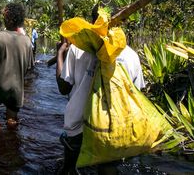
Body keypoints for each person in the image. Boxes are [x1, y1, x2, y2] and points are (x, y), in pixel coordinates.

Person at [55, 12, 145, 174]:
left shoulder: (77, 49)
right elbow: (137, 94)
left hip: (79, 127)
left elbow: (64, 88)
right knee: (107, 170)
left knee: (70, 170)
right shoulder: (132, 55)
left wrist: (60, 54)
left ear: (92, 23)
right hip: (113, 129)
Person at [0, 3, 34, 130]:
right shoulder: (27, 41)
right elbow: (29, 67)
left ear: (8, 18)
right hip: (16, 89)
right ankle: (11, 144)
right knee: (12, 120)